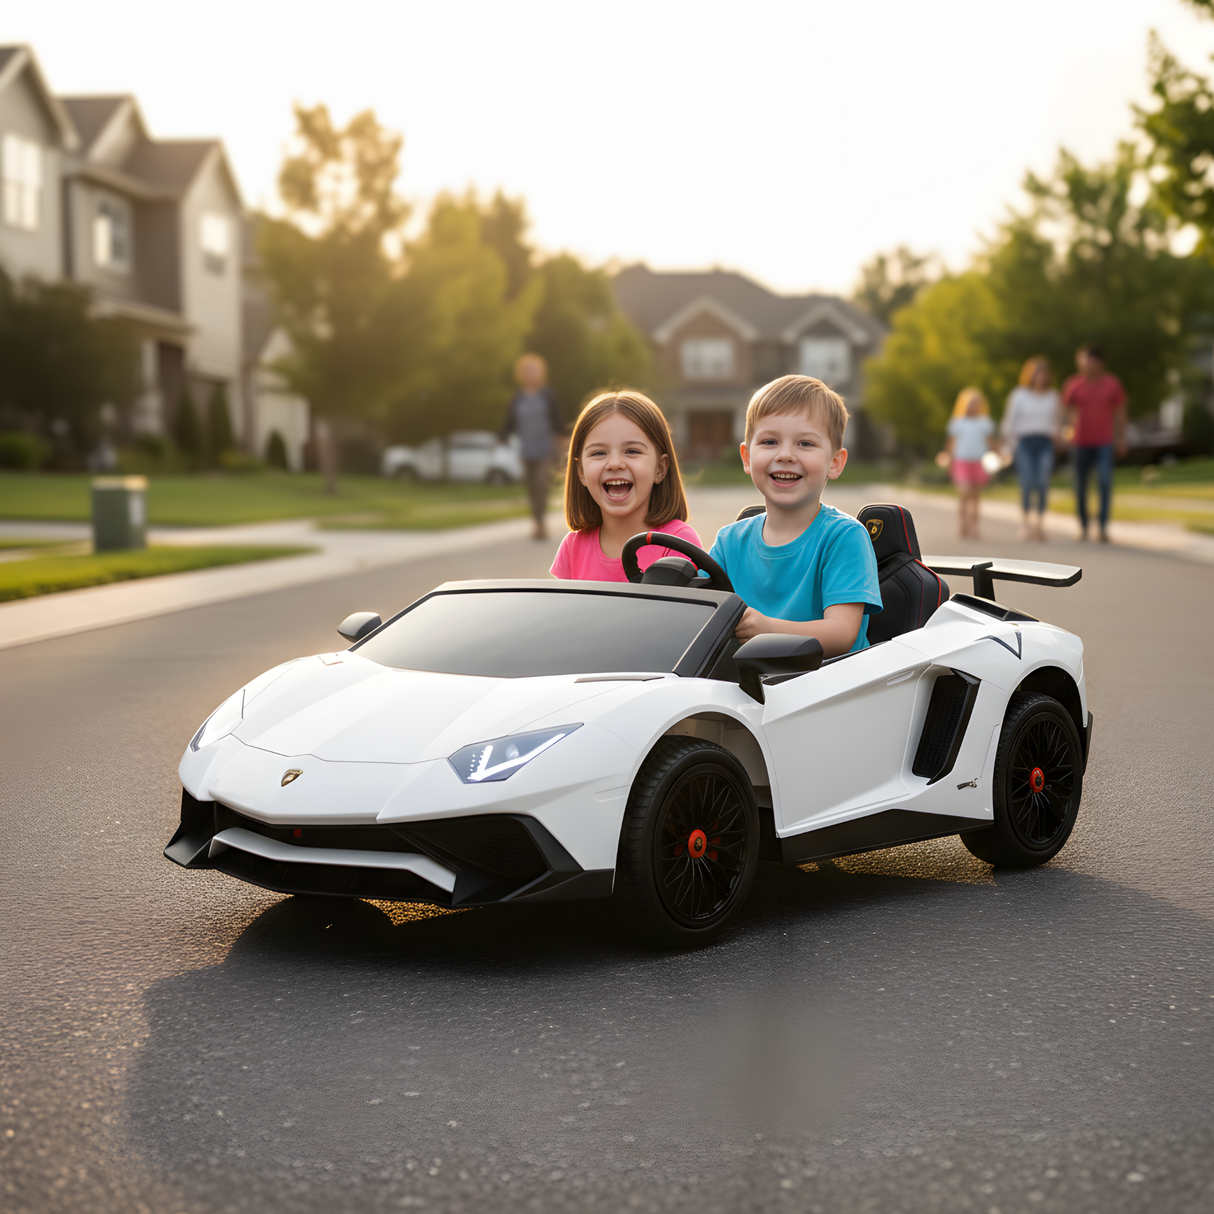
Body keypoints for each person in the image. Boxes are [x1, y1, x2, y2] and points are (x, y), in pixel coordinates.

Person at [708, 375, 882, 658]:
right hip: (743, 687)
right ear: (747, 458)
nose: (785, 455)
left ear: (835, 463)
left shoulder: (844, 538)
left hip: (827, 686)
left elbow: (842, 633)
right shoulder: (729, 542)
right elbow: (701, 613)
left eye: (805, 444)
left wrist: (768, 629)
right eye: (769, 441)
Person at [551, 390, 701, 581]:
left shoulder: (678, 542)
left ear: (660, 469)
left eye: (632, 451)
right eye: (598, 453)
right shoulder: (572, 547)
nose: (615, 463)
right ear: (581, 472)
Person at [1061, 343, 1127, 542]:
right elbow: (1065, 411)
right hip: (1080, 442)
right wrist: (1067, 431)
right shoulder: (1073, 385)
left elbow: (1120, 411)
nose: (1088, 366)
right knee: (1080, 485)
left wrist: (1121, 437)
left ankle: (1103, 527)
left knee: (1105, 482)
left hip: (1104, 442)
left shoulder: (1112, 384)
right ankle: (1083, 525)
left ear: (1099, 363)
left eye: (1092, 362)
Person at [500, 353, 562, 539]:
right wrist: (501, 437)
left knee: (541, 484)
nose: (531, 374)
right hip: (526, 450)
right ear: (522, 374)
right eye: (528, 371)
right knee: (531, 488)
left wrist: (563, 438)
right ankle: (537, 522)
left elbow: (557, 418)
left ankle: (541, 524)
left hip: (545, 449)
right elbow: (509, 421)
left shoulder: (547, 395)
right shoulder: (518, 398)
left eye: (535, 370)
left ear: (541, 373)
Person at [1002, 357, 1062, 542]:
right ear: (1031, 375)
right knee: (1027, 483)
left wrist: (1059, 436)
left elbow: (1057, 421)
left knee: (1042, 482)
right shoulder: (1019, 395)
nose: (1041, 377)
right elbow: (1010, 421)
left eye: (1044, 373)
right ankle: (1026, 524)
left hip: (1045, 442)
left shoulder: (1053, 396)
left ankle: (1040, 525)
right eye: (1038, 373)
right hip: (1024, 443)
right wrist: (1007, 446)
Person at [944, 388, 998, 540]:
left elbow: (991, 441)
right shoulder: (958, 422)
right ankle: (963, 522)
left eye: (976, 403)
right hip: (962, 460)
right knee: (964, 492)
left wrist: (999, 454)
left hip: (979, 461)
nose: (972, 406)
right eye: (970, 403)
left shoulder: (985, 423)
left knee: (976, 496)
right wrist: (948, 460)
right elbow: (951, 444)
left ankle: (974, 525)